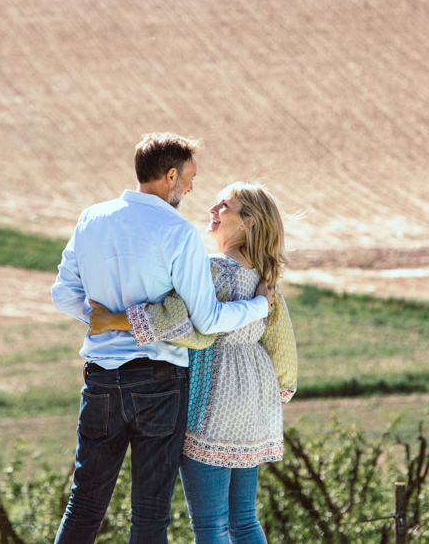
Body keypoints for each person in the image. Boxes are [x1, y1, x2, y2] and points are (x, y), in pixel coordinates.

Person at [50, 134, 273, 544]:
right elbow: (206, 320)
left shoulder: (91, 218)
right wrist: (259, 306)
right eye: (189, 178)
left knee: (82, 505)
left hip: (100, 379)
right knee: (150, 513)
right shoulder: (179, 233)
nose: (191, 188)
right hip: (160, 381)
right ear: (171, 176)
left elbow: (63, 294)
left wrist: (105, 321)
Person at [88, 182, 297, 544]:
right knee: (245, 519)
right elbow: (282, 344)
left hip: (213, 397)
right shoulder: (265, 278)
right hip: (254, 400)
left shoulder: (212, 270)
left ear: (247, 222)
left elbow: (183, 323)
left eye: (225, 205)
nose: (213, 210)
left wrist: (115, 320)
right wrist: (281, 388)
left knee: (211, 525)